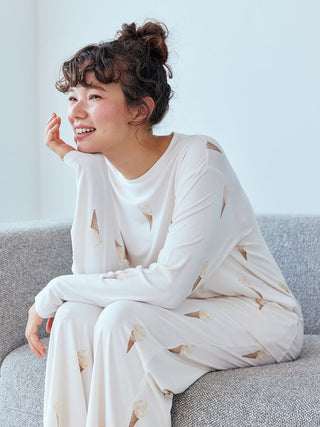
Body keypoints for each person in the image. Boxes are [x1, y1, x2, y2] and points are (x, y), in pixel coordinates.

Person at [25, 21, 304, 427]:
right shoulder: (99, 170)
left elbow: (169, 284)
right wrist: (84, 169)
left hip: (260, 318)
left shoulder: (199, 158)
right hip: (171, 312)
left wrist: (53, 290)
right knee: (72, 318)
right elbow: (95, 280)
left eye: (94, 95)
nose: (75, 112)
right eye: (72, 97)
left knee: (121, 321)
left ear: (140, 109)